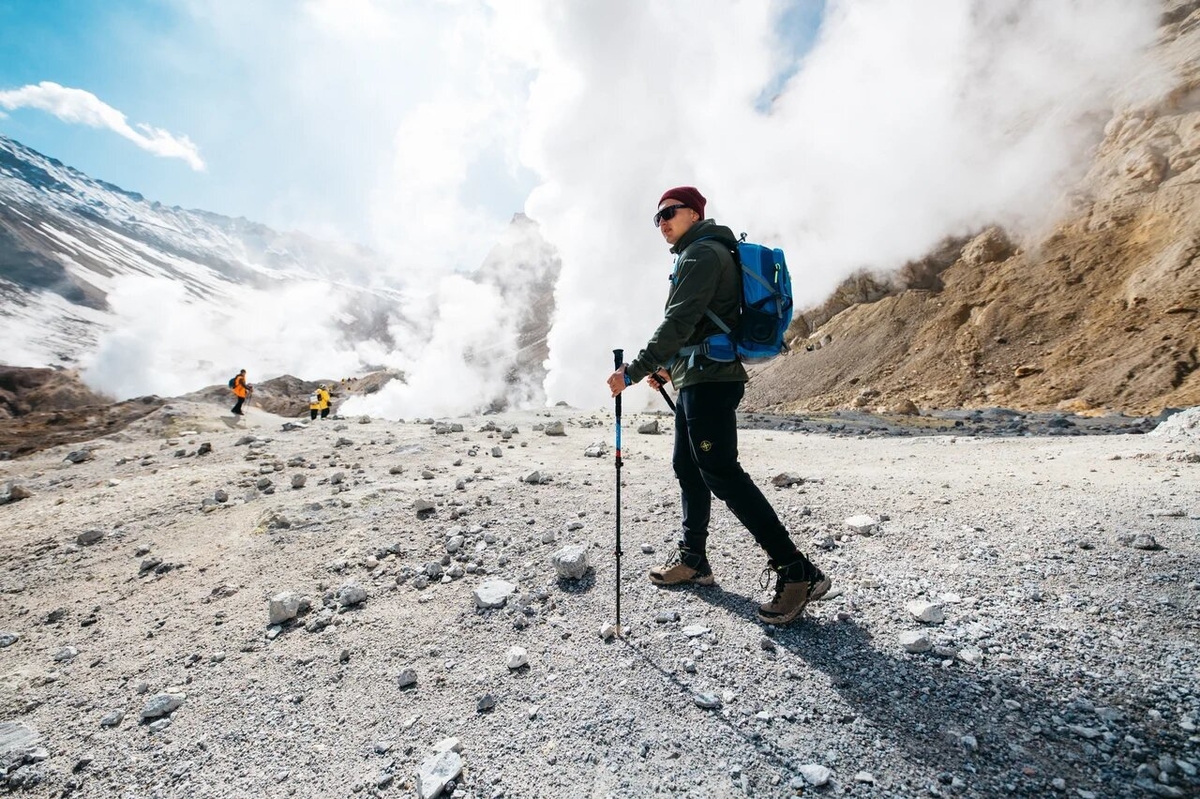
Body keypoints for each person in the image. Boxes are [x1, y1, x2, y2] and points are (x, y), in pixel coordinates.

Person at [605, 186, 831, 625]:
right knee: (688, 468)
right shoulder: (695, 254)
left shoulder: (703, 254)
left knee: (722, 473)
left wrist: (634, 370)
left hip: (711, 382)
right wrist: (670, 368)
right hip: (697, 377)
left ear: (694, 213)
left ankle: (796, 570)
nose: (662, 223)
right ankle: (694, 560)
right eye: (657, 218)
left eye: (669, 213)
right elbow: (699, 325)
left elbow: (680, 319)